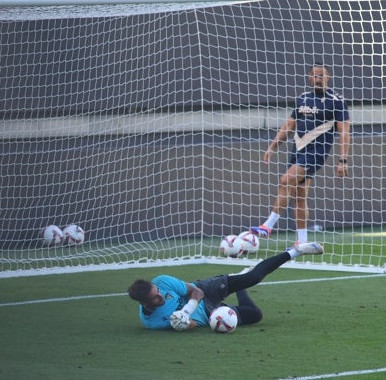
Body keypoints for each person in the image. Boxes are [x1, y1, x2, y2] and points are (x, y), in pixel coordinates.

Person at [250, 62, 351, 244]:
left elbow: (344, 130)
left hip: (316, 152)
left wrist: (343, 159)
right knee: (299, 195)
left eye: (322, 76)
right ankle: (302, 240)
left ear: (328, 77)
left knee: (285, 180)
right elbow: (289, 126)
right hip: (297, 150)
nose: (318, 79)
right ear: (309, 77)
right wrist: (272, 147)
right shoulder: (302, 99)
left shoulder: (336, 101)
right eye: (314, 75)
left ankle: (267, 226)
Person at [127, 241, 324, 331]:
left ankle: (294, 252)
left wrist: (187, 309)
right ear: (145, 302)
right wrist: (185, 324)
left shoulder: (162, 281)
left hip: (206, 289)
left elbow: (196, 291)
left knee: (254, 276)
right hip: (211, 314)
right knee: (256, 315)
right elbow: (193, 325)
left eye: (158, 292)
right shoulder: (152, 322)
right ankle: (239, 284)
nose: (160, 295)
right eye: (156, 298)